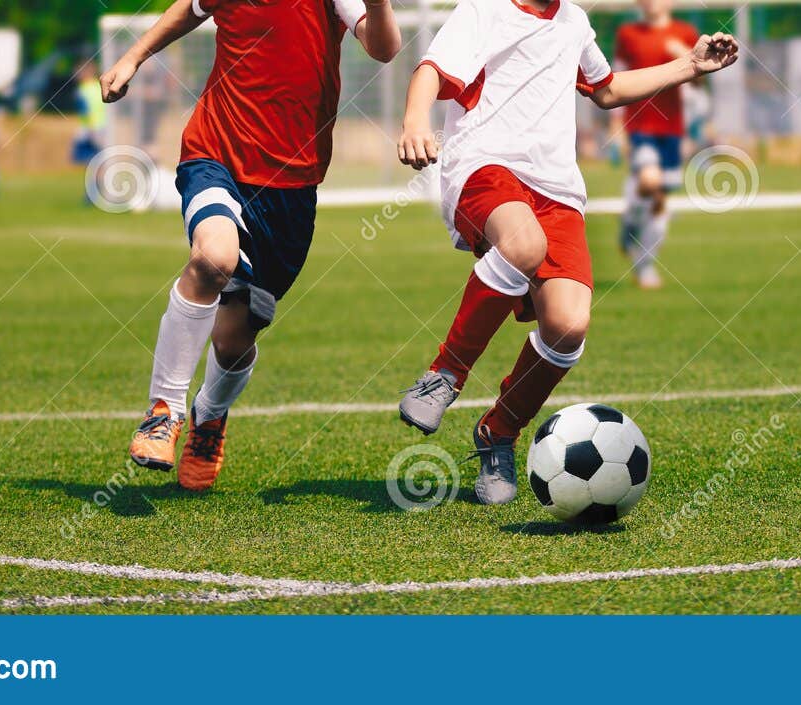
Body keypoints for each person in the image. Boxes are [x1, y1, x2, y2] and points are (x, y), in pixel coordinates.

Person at [393, 0, 739, 504]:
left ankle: (498, 433)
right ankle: (443, 375)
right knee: (522, 244)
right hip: (485, 168)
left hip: (557, 190)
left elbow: (606, 89)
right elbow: (431, 70)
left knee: (568, 327)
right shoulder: (484, 10)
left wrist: (689, 65)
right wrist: (414, 120)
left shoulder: (573, 20)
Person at [107, 0, 399, 491]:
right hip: (215, 153)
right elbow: (191, 10)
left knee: (238, 333)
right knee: (213, 258)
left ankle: (210, 416)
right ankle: (164, 411)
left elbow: (383, 48)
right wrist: (132, 57)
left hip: (290, 185)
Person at [612, 0, 699, 290]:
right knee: (650, 181)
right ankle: (631, 229)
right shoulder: (628, 34)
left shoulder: (685, 33)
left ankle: (640, 255)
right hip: (640, 126)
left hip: (672, 130)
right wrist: (616, 126)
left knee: (658, 202)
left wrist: (685, 56)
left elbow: (700, 84)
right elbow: (615, 78)